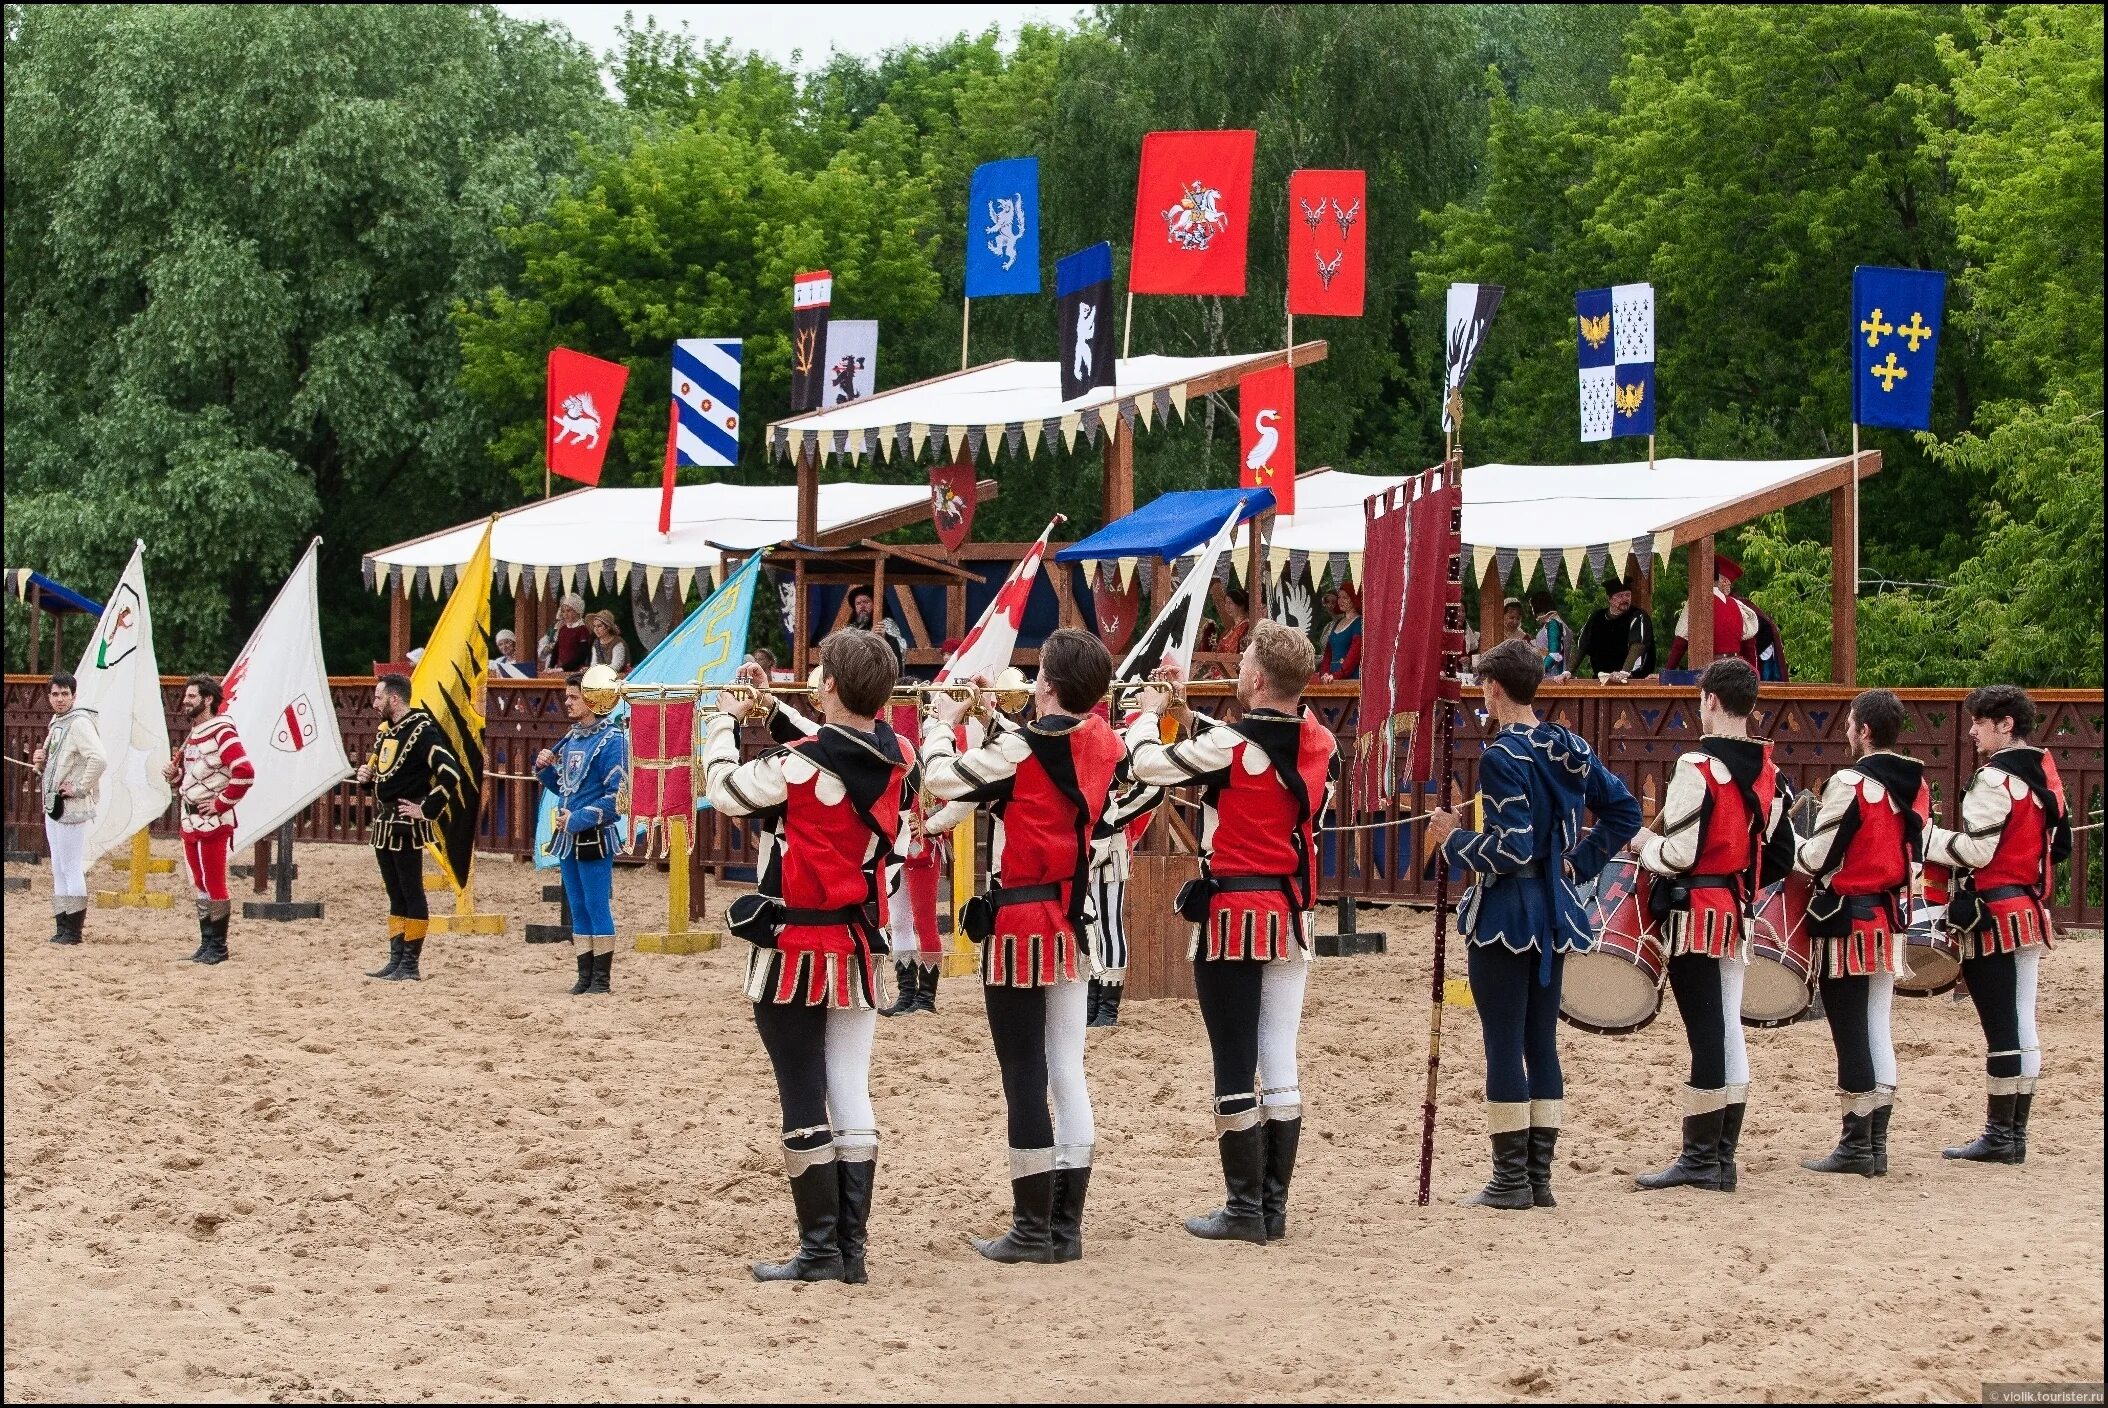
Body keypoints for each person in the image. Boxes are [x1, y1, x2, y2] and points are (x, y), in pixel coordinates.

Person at [703, 631, 917, 1284]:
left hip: (796, 943)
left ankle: (820, 1248)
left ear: (827, 687)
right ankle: (849, 1248)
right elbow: (838, 746)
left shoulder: (802, 762)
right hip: (855, 942)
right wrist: (770, 709)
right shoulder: (899, 753)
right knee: (849, 1085)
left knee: (802, 1091)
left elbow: (724, 790)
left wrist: (721, 719)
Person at [1126, 622, 1338, 1244]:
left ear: (1257, 678)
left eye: (1245, 660)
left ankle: (1244, 1208)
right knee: (1279, 1059)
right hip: (1292, 911)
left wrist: (1146, 715)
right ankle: (1272, 1207)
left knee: (1233, 1061)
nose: (1238, 667)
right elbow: (1243, 758)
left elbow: (1149, 767)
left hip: (1237, 915)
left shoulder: (1232, 745)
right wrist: (1186, 710)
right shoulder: (1319, 739)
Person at [920, 630, 1122, 1265]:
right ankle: (1065, 1227)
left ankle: (1032, 1229)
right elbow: (1046, 755)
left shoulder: (1021, 747)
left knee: (1024, 1075)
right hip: (1072, 914)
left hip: (1022, 924)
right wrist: (997, 718)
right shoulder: (1105, 742)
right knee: (1066, 1069)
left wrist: (940, 721)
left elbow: (941, 779)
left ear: (1050, 687)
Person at [1426, 639, 1640, 1209]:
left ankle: (1510, 1180)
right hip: (1554, 909)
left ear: (1496, 689)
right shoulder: (1568, 744)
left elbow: (1511, 847)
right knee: (1539, 1042)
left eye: (1483, 687)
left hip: (1507, 912)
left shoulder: (1501, 756)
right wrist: (1579, 863)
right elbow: (1624, 811)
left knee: (1503, 1043)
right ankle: (1537, 1177)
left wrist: (1454, 839)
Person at [1629, 657, 1796, 1193]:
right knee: (1725, 1030)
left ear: (1711, 702)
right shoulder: (1768, 772)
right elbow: (1780, 856)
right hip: (1734, 912)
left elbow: (1677, 853)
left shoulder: (1695, 768)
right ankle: (1721, 1157)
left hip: (1696, 916)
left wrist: (1642, 844)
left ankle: (1702, 1161)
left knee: (1708, 1035)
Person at [1924, 685, 2071, 1165]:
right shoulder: (2042, 776)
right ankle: (2014, 1134)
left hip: (1994, 914)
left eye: (1980, 722)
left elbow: (1977, 851)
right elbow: (2059, 847)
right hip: (2026, 909)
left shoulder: (1996, 780)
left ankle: (2001, 1137)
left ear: (2005, 724)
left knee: (2004, 1027)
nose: (1972, 731)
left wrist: (1925, 838)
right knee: (2021, 1022)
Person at [1792, 688, 1930, 1177]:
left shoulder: (1852, 783)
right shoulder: (1915, 784)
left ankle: (1855, 1147)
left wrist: (1793, 845)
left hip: (1848, 918)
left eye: (1850, 723)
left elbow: (1818, 857)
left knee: (1851, 1033)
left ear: (1864, 730)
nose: (1847, 731)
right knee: (1877, 1028)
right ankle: (1876, 1146)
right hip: (1888, 916)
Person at [357, 674, 465, 983]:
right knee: (395, 893)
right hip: (385, 822)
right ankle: (396, 958)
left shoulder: (422, 731)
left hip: (406, 823)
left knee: (411, 890)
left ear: (394, 699)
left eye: (378, 698)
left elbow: (449, 772)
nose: (374, 703)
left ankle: (411, 963)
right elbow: (390, 777)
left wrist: (426, 809)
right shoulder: (388, 734)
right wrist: (369, 780)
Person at [535, 667, 630, 996]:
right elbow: (565, 786)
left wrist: (577, 819)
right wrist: (544, 769)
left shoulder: (613, 739)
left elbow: (617, 797)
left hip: (594, 836)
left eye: (574, 696)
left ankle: (601, 979)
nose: (568, 702)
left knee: (596, 903)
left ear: (592, 698)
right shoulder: (573, 736)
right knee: (576, 904)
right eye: (567, 696)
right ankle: (584, 973)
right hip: (568, 838)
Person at [161, 675, 255, 965]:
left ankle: (219, 946)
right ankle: (207, 942)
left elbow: (244, 771)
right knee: (200, 881)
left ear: (208, 699)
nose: (186, 701)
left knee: (215, 882)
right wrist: (176, 777)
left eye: (192, 696)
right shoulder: (196, 732)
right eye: (186, 696)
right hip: (190, 819)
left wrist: (220, 803)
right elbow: (196, 776)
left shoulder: (222, 731)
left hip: (212, 821)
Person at [32, 671, 105, 946]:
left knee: (71, 866)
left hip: (70, 804)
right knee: (59, 867)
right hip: (54, 804)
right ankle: (63, 926)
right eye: (55, 694)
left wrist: (79, 787)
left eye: (65, 694)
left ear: (74, 695)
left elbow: (98, 758)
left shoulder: (79, 722)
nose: (60, 699)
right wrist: (41, 761)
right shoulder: (58, 722)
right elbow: (56, 765)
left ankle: (73, 930)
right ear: (49, 697)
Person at [1666, 555, 1759, 670]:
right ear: (1723, 581)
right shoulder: (1739, 607)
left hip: (1711, 673)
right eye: (1729, 583)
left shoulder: (1697, 601)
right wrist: (1754, 677)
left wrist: (1667, 672)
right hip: (1737, 672)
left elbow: (1680, 643)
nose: (1729, 587)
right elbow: (1749, 648)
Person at [1576, 576, 1656, 682]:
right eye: (1620, 596)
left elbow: (1638, 645)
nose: (1625, 599)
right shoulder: (1596, 617)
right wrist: (1567, 672)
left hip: (1633, 679)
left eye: (1628, 595)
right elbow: (1582, 645)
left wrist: (1624, 672)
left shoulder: (1638, 616)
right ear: (1609, 599)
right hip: (1602, 679)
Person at [847, 585, 910, 666]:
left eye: (866, 602)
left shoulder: (886, 624)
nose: (862, 606)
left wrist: (885, 638)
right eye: (858, 603)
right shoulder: (851, 629)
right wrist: (870, 637)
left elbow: (899, 651)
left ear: (875, 604)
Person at [1317, 583, 1362, 682]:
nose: (1340, 601)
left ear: (1354, 599)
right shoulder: (1338, 622)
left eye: (1345, 597)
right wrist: (1325, 673)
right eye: (1339, 597)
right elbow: (1328, 652)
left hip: (1350, 680)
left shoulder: (1358, 623)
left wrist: (1337, 675)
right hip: (1330, 678)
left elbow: (1354, 655)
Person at [540, 593, 591, 673]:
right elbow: (556, 651)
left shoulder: (582, 630)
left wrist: (562, 668)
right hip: (560, 670)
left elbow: (582, 655)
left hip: (576, 671)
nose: (565, 614)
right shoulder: (563, 629)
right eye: (563, 611)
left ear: (576, 611)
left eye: (568, 611)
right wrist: (551, 667)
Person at [1529, 591, 1571, 679]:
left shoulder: (1553, 624)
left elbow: (1555, 655)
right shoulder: (1560, 623)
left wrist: (1536, 674)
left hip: (1552, 676)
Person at [585, 609, 630, 674]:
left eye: (599, 626)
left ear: (608, 627)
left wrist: (598, 671)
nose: (596, 629)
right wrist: (591, 670)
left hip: (619, 678)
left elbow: (616, 667)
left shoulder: (618, 643)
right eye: (594, 626)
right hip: (601, 676)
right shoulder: (596, 643)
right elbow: (594, 664)